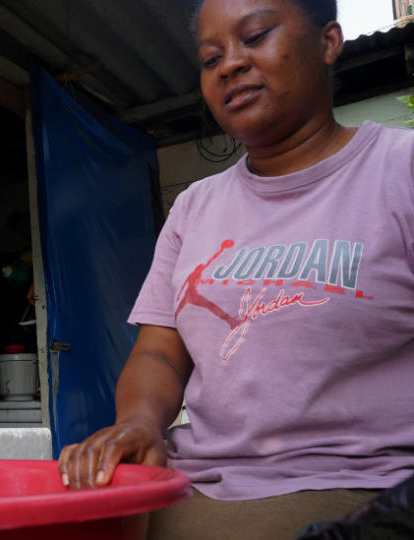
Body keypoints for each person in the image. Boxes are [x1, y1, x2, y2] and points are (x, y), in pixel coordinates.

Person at [58, 0, 414, 538]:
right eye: (209, 57)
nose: (229, 65)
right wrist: (138, 423)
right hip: (190, 479)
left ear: (329, 41)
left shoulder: (398, 170)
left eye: (257, 35)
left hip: (353, 486)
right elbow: (160, 350)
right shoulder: (195, 207)